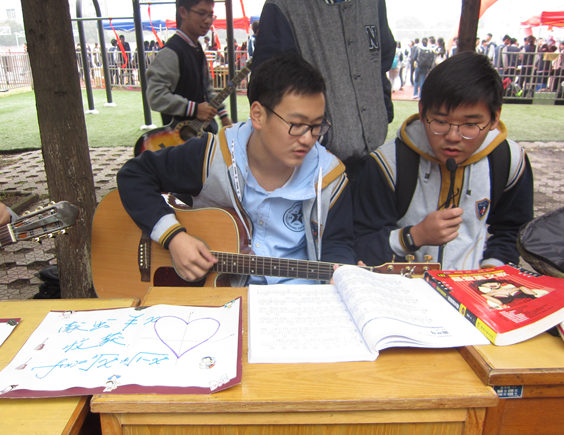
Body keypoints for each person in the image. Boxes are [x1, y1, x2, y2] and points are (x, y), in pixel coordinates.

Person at [118, 53, 356, 286]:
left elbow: (338, 243)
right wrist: (173, 237)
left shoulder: (329, 177)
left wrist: (340, 275)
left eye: (317, 126)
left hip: (296, 299)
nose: (308, 139)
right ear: (258, 115)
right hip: (221, 301)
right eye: (296, 125)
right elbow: (134, 175)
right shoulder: (212, 156)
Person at [353, 52, 534, 271]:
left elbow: (512, 231)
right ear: (421, 111)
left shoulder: (509, 161)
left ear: (495, 118)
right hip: (403, 291)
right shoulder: (388, 163)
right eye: (440, 121)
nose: (453, 137)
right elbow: (361, 242)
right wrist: (413, 236)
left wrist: (491, 273)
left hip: (477, 292)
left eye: (470, 125)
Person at [251, 0, 396, 182]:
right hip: (315, 172)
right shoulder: (284, 6)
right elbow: (267, 86)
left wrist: (383, 111)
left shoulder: (373, 3)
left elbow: (382, 61)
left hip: (372, 160)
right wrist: (322, 135)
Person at [146, 0, 232, 129]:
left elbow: (206, 89)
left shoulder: (196, 48)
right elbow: (156, 96)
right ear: (183, 12)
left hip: (202, 135)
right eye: (202, 13)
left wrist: (223, 115)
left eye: (210, 15)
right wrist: (194, 109)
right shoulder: (171, 52)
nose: (208, 21)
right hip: (180, 140)